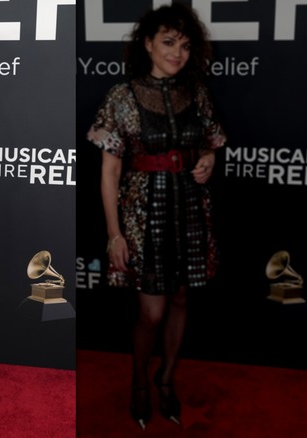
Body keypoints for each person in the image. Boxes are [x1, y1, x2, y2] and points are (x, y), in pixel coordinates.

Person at [86, 2, 225, 431]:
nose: (177, 53)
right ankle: (139, 380)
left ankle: (166, 379)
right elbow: (110, 172)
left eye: (185, 45)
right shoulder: (122, 97)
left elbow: (210, 143)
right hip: (143, 214)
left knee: (181, 297)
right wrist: (114, 234)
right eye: (168, 42)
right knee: (150, 312)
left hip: (189, 210)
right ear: (147, 43)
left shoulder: (196, 91)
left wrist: (207, 160)